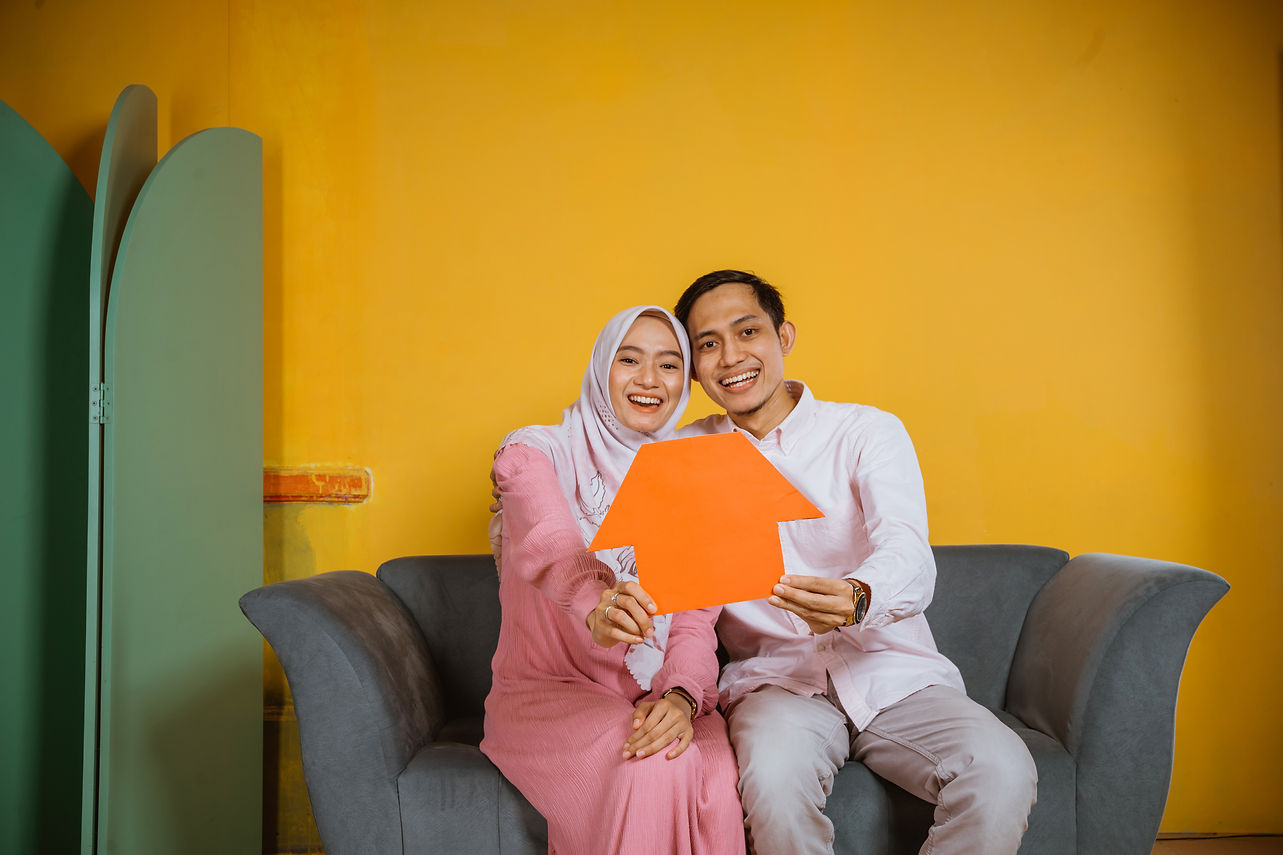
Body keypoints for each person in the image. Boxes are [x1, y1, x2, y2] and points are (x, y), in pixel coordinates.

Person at [673, 270, 1037, 855]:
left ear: (783, 337)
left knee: (1001, 769)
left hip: (894, 673)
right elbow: (599, 488)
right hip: (776, 684)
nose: (731, 356)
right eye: (708, 344)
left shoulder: (866, 431)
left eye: (748, 332)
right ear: (692, 365)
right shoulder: (682, 457)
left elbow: (907, 547)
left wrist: (859, 596)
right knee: (770, 782)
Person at [481, 305, 746, 855]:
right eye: (629, 359)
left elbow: (695, 626)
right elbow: (550, 540)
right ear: (602, 366)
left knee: (716, 780)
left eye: (670, 365)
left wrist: (678, 696)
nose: (649, 380)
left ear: (686, 383)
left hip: (658, 693)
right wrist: (594, 601)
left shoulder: (695, 483)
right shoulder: (536, 454)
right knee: (656, 762)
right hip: (550, 695)